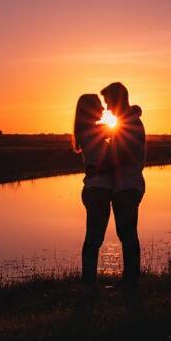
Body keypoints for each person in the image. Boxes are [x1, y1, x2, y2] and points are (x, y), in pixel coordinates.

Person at [101, 82, 146, 286]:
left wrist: (102, 157)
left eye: (108, 102)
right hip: (128, 185)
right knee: (126, 233)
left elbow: (124, 156)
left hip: (127, 186)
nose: (107, 108)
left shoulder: (130, 124)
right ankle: (131, 278)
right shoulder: (128, 121)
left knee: (127, 233)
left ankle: (131, 279)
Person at [72, 93, 114, 283]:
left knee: (94, 239)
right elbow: (123, 129)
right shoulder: (93, 131)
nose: (103, 109)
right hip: (98, 191)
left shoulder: (88, 131)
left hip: (94, 190)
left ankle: (88, 281)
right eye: (98, 105)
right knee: (93, 240)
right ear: (88, 109)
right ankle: (88, 283)